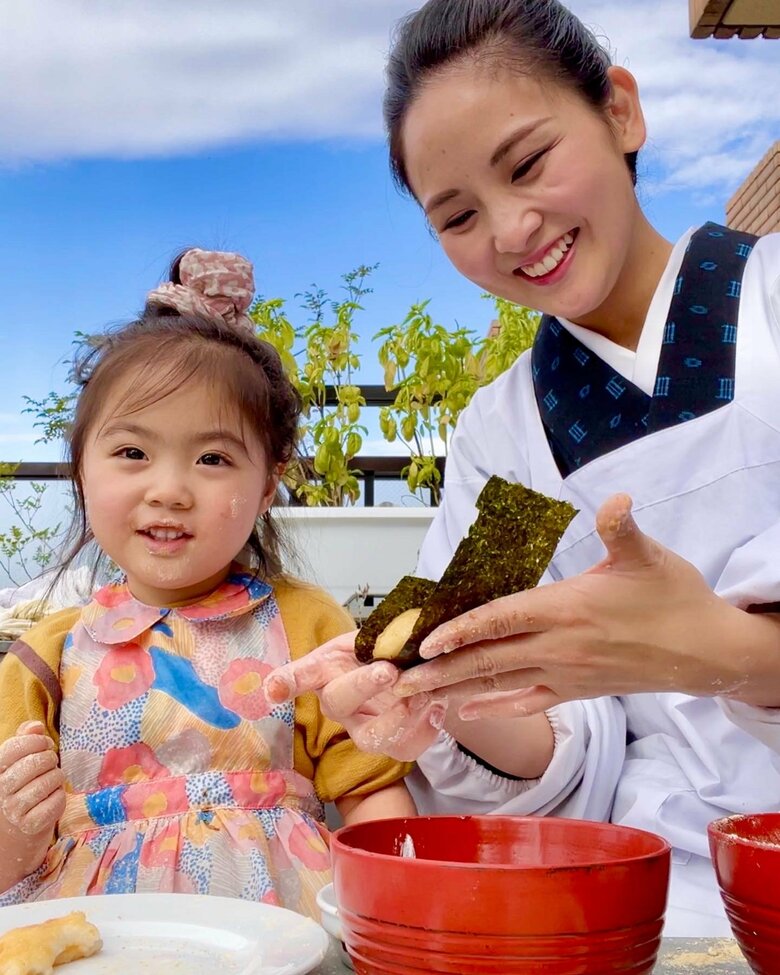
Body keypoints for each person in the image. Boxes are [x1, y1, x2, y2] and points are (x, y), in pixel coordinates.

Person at [264, 0, 780, 937]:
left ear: (620, 109)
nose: (508, 230)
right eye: (457, 215)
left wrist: (726, 652)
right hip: (670, 900)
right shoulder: (508, 431)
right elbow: (536, 724)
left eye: (529, 163)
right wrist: (435, 700)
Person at [0, 249, 415, 918]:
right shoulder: (45, 655)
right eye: (132, 452)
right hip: (101, 937)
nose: (169, 490)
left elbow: (371, 785)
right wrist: (15, 826)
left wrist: (403, 912)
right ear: (82, 468)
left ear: (268, 483)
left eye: (213, 457)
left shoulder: (308, 625)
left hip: (284, 926)